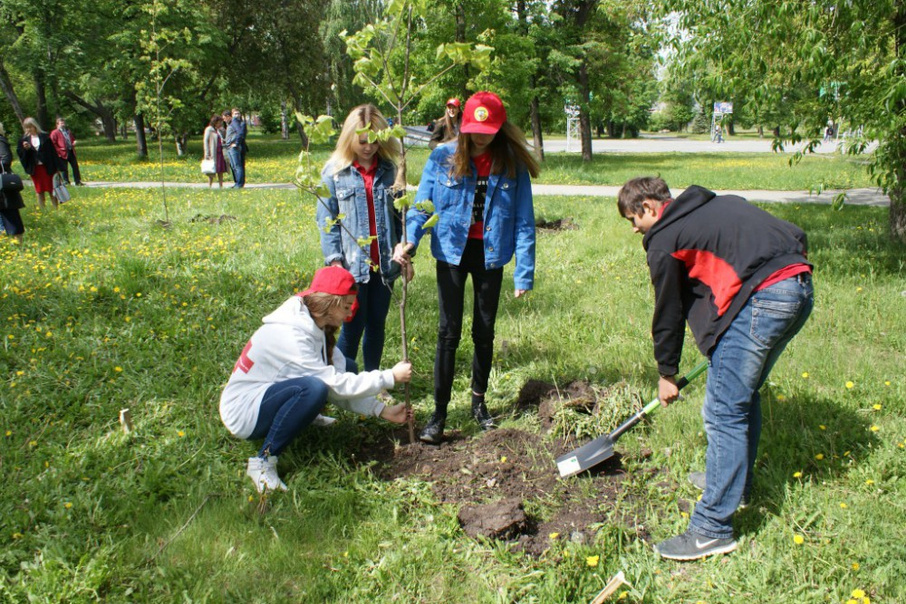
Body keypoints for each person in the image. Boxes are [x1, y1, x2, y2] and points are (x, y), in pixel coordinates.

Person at [617, 176, 814, 561]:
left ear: (650, 208)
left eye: (632, 219)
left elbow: (668, 310)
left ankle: (711, 529)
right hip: (799, 288)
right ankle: (735, 487)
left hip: (764, 300)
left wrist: (666, 373)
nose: (634, 229)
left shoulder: (664, 238)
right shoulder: (717, 204)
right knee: (742, 396)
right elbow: (794, 234)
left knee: (724, 411)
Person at [394, 91, 540, 444]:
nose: (481, 136)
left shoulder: (512, 165)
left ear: (500, 127)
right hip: (451, 252)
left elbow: (523, 220)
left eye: (488, 129)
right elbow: (421, 206)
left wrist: (524, 272)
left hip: (491, 255)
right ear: (464, 125)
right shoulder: (443, 157)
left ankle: (479, 402)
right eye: (475, 128)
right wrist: (409, 239)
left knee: (484, 330)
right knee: (448, 332)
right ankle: (439, 414)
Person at [219, 265, 414, 493]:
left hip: (266, 395)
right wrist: (389, 377)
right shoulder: (292, 337)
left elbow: (339, 379)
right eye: (346, 306)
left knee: (346, 367)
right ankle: (263, 461)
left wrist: (382, 410)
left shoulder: (313, 324)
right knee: (313, 389)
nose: (350, 314)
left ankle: (304, 415)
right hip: (244, 413)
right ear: (330, 304)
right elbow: (335, 386)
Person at [317, 104, 408, 372]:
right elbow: (326, 220)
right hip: (351, 267)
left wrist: (405, 254)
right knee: (353, 325)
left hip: (384, 265)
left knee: (376, 323)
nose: (368, 147)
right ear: (350, 137)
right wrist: (335, 263)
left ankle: (372, 381)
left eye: (375, 141)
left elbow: (400, 216)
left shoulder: (391, 170)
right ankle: (343, 383)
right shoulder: (335, 171)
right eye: (362, 141)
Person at [16, 117, 59, 209]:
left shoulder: (45, 137)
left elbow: (53, 152)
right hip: (35, 169)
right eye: (26, 127)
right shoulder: (23, 140)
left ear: (35, 126)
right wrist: (26, 149)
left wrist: (57, 168)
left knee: (52, 189)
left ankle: (56, 209)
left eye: (30, 127)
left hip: (47, 167)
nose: (29, 129)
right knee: (39, 190)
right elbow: (20, 154)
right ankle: (42, 210)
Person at [0, 122, 26, 243]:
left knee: (10, 212)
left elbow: (6, 160)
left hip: (3, 186)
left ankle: (18, 243)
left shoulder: (1, 141)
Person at [49, 117, 83, 186]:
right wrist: (59, 150)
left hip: (70, 151)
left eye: (63, 123)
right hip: (62, 153)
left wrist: (74, 142)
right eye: (61, 123)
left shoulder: (67, 131)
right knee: (64, 168)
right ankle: (66, 181)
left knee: (75, 166)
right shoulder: (55, 132)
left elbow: (72, 139)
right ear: (57, 124)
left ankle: (78, 181)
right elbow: (52, 143)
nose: (63, 124)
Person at [224, 107, 248, 188]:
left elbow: (240, 134)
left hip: (237, 147)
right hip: (235, 146)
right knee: (235, 166)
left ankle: (239, 183)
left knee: (238, 165)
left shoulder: (236, 122)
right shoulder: (234, 122)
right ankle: (238, 183)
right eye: (235, 114)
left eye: (238, 113)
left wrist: (236, 143)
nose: (237, 115)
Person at [203, 114, 228, 188]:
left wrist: (223, 132)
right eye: (219, 122)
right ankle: (209, 186)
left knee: (221, 170)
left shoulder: (219, 130)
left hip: (220, 152)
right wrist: (207, 153)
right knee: (211, 169)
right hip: (213, 153)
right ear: (215, 122)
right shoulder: (209, 129)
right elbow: (205, 141)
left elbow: (224, 138)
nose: (220, 124)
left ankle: (221, 186)